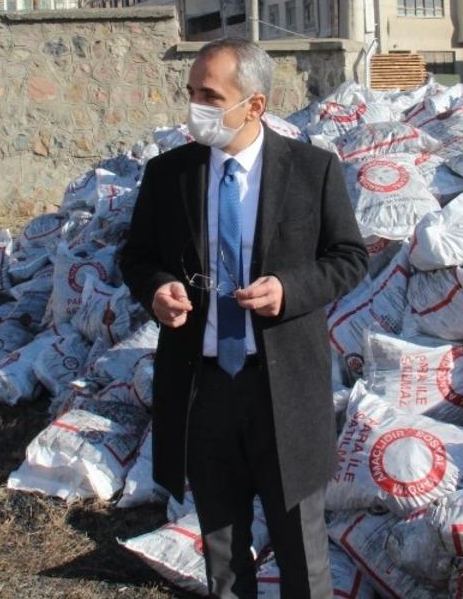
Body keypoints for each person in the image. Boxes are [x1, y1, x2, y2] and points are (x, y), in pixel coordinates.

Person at [119, 38, 368, 598]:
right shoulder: (169, 175)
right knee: (224, 552)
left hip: (283, 388)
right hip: (203, 389)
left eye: (209, 96)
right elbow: (136, 256)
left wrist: (289, 289)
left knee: (301, 548)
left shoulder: (312, 171)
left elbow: (350, 258)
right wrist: (157, 289)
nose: (194, 108)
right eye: (190, 94)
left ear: (254, 105)